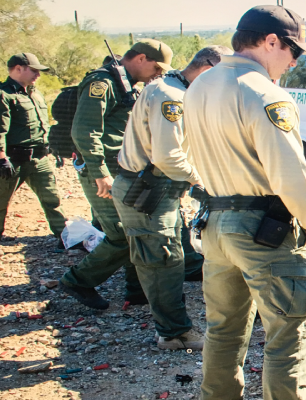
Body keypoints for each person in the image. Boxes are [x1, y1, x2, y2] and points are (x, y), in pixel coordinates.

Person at [183, 6, 306, 400]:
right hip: (263, 230)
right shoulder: (265, 93)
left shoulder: (200, 85)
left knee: (224, 330)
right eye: (293, 51)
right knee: (290, 333)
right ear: (271, 42)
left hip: (215, 223)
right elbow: (293, 178)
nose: (294, 62)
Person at [111, 45, 232, 350]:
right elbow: (169, 157)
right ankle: (173, 334)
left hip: (155, 187)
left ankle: (158, 315)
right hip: (148, 190)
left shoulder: (173, 88)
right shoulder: (171, 97)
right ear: (208, 70)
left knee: (160, 256)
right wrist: (201, 181)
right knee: (164, 261)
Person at [59, 39, 174, 309]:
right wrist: (99, 172)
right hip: (103, 170)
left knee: (135, 229)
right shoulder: (103, 83)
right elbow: (84, 131)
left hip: (122, 169)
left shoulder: (127, 84)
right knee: (121, 234)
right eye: (156, 67)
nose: (158, 73)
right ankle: (78, 280)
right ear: (141, 58)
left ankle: (137, 290)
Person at [0, 53, 67, 258]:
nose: (37, 75)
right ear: (18, 68)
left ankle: (65, 236)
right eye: (33, 70)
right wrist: (0, 159)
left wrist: (52, 147)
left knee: (51, 198)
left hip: (39, 158)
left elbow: (42, 126)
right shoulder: (1, 96)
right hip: (13, 159)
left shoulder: (34, 93)